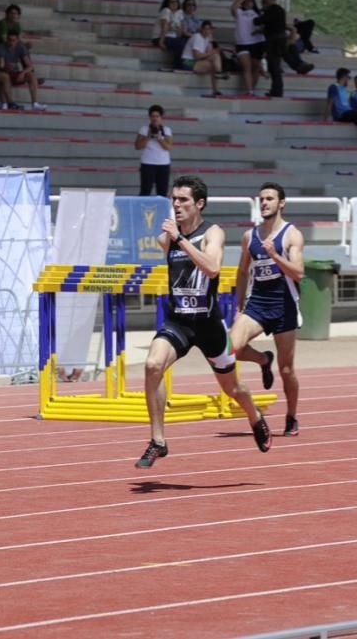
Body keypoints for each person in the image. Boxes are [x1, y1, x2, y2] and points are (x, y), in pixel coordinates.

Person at [136, 175, 272, 468]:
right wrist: (173, 239)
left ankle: (254, 416)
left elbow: (212, 268)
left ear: (199, 204)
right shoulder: (167, 238)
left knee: (232, 389)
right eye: (174, 199)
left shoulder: (213, 233)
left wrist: (181, 240)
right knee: (152, 365)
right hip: (179, 321)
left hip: (208, 324)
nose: (177, 205)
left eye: (183, 200)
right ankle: (158, 441)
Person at [230, 182, 305, 436]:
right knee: (232, 348)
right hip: (258, 304)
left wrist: (275, 255)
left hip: (284, 305)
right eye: (261, 199)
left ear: (281, 203)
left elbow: (299, 273)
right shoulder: (250, 237)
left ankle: (292, 416)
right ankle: (263, 359)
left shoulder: (292, 235)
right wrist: (238, 307)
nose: (264, 203)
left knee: (286, 370)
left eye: (270, 199)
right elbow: (241, 272)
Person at [0, 30, 47, 110]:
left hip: (15, 73)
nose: (11, 42)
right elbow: (1, 66)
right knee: (4, 76)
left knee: (31, 75)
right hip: (3, 73)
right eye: (9, 40)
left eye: (13, 40)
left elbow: (30, 66)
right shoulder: (1, 47)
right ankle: (6, 103)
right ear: (6, 39)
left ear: (17, 40)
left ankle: (35, 104)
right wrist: (7, 67)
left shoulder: (20, 47)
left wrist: (23, 73)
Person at [253, 0, 287, 98]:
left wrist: (258, 18)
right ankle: (276, 90)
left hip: (274, 41)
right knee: (274, 66)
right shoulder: (280, 10)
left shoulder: (272, 10)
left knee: (274, 66)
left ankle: (277, 91)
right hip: (279, 40)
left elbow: (261, 20)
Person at [179, 21, 227, 97]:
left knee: (216, 56)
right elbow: (197, 56)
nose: (207, 31)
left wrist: (210, 42)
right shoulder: (197, 37)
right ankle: (217, 83)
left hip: (196, 61)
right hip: (187, 62)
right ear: (201, 29)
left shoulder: (207, 39)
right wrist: (211, 53)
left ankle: (218, 74)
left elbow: (209, 53)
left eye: (209, 29)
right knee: (213, 64)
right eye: (205, 29)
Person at [230, 0, 265, 97]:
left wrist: (259, 31)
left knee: (256, 67)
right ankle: (250, 91)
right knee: (246, 67)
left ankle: (252, 90)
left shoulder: (258, 13)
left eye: (250, 1)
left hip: (257, 42)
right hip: (242, 43)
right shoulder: (239, 12)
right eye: (246, 1)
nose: (248, 2)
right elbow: (233, 7)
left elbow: (264, 26)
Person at [134, 104, 173, 196]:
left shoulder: (166, 130)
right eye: (153, 116)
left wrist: (159, 138)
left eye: (157, 116)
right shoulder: (144, 129)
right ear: (149, 117)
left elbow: (168, 147)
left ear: (161, 117)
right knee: (145, 190)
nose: (155, 119)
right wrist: (148, 137)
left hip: (163, 164)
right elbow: (137, 146)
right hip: (148, 163)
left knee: (162, 191)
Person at [151, 0, 183, 69]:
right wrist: (161, 42)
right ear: (167, 3)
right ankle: (179, 66)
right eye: (172, 2)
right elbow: (164, 27)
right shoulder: (166, 11)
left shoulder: (177, 14)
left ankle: (186, 65)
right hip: (159, 38)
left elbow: (179, 31)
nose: (174, 3)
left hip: (171, 38)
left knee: (185, 43)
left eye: (176, 2)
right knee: (181, 45)